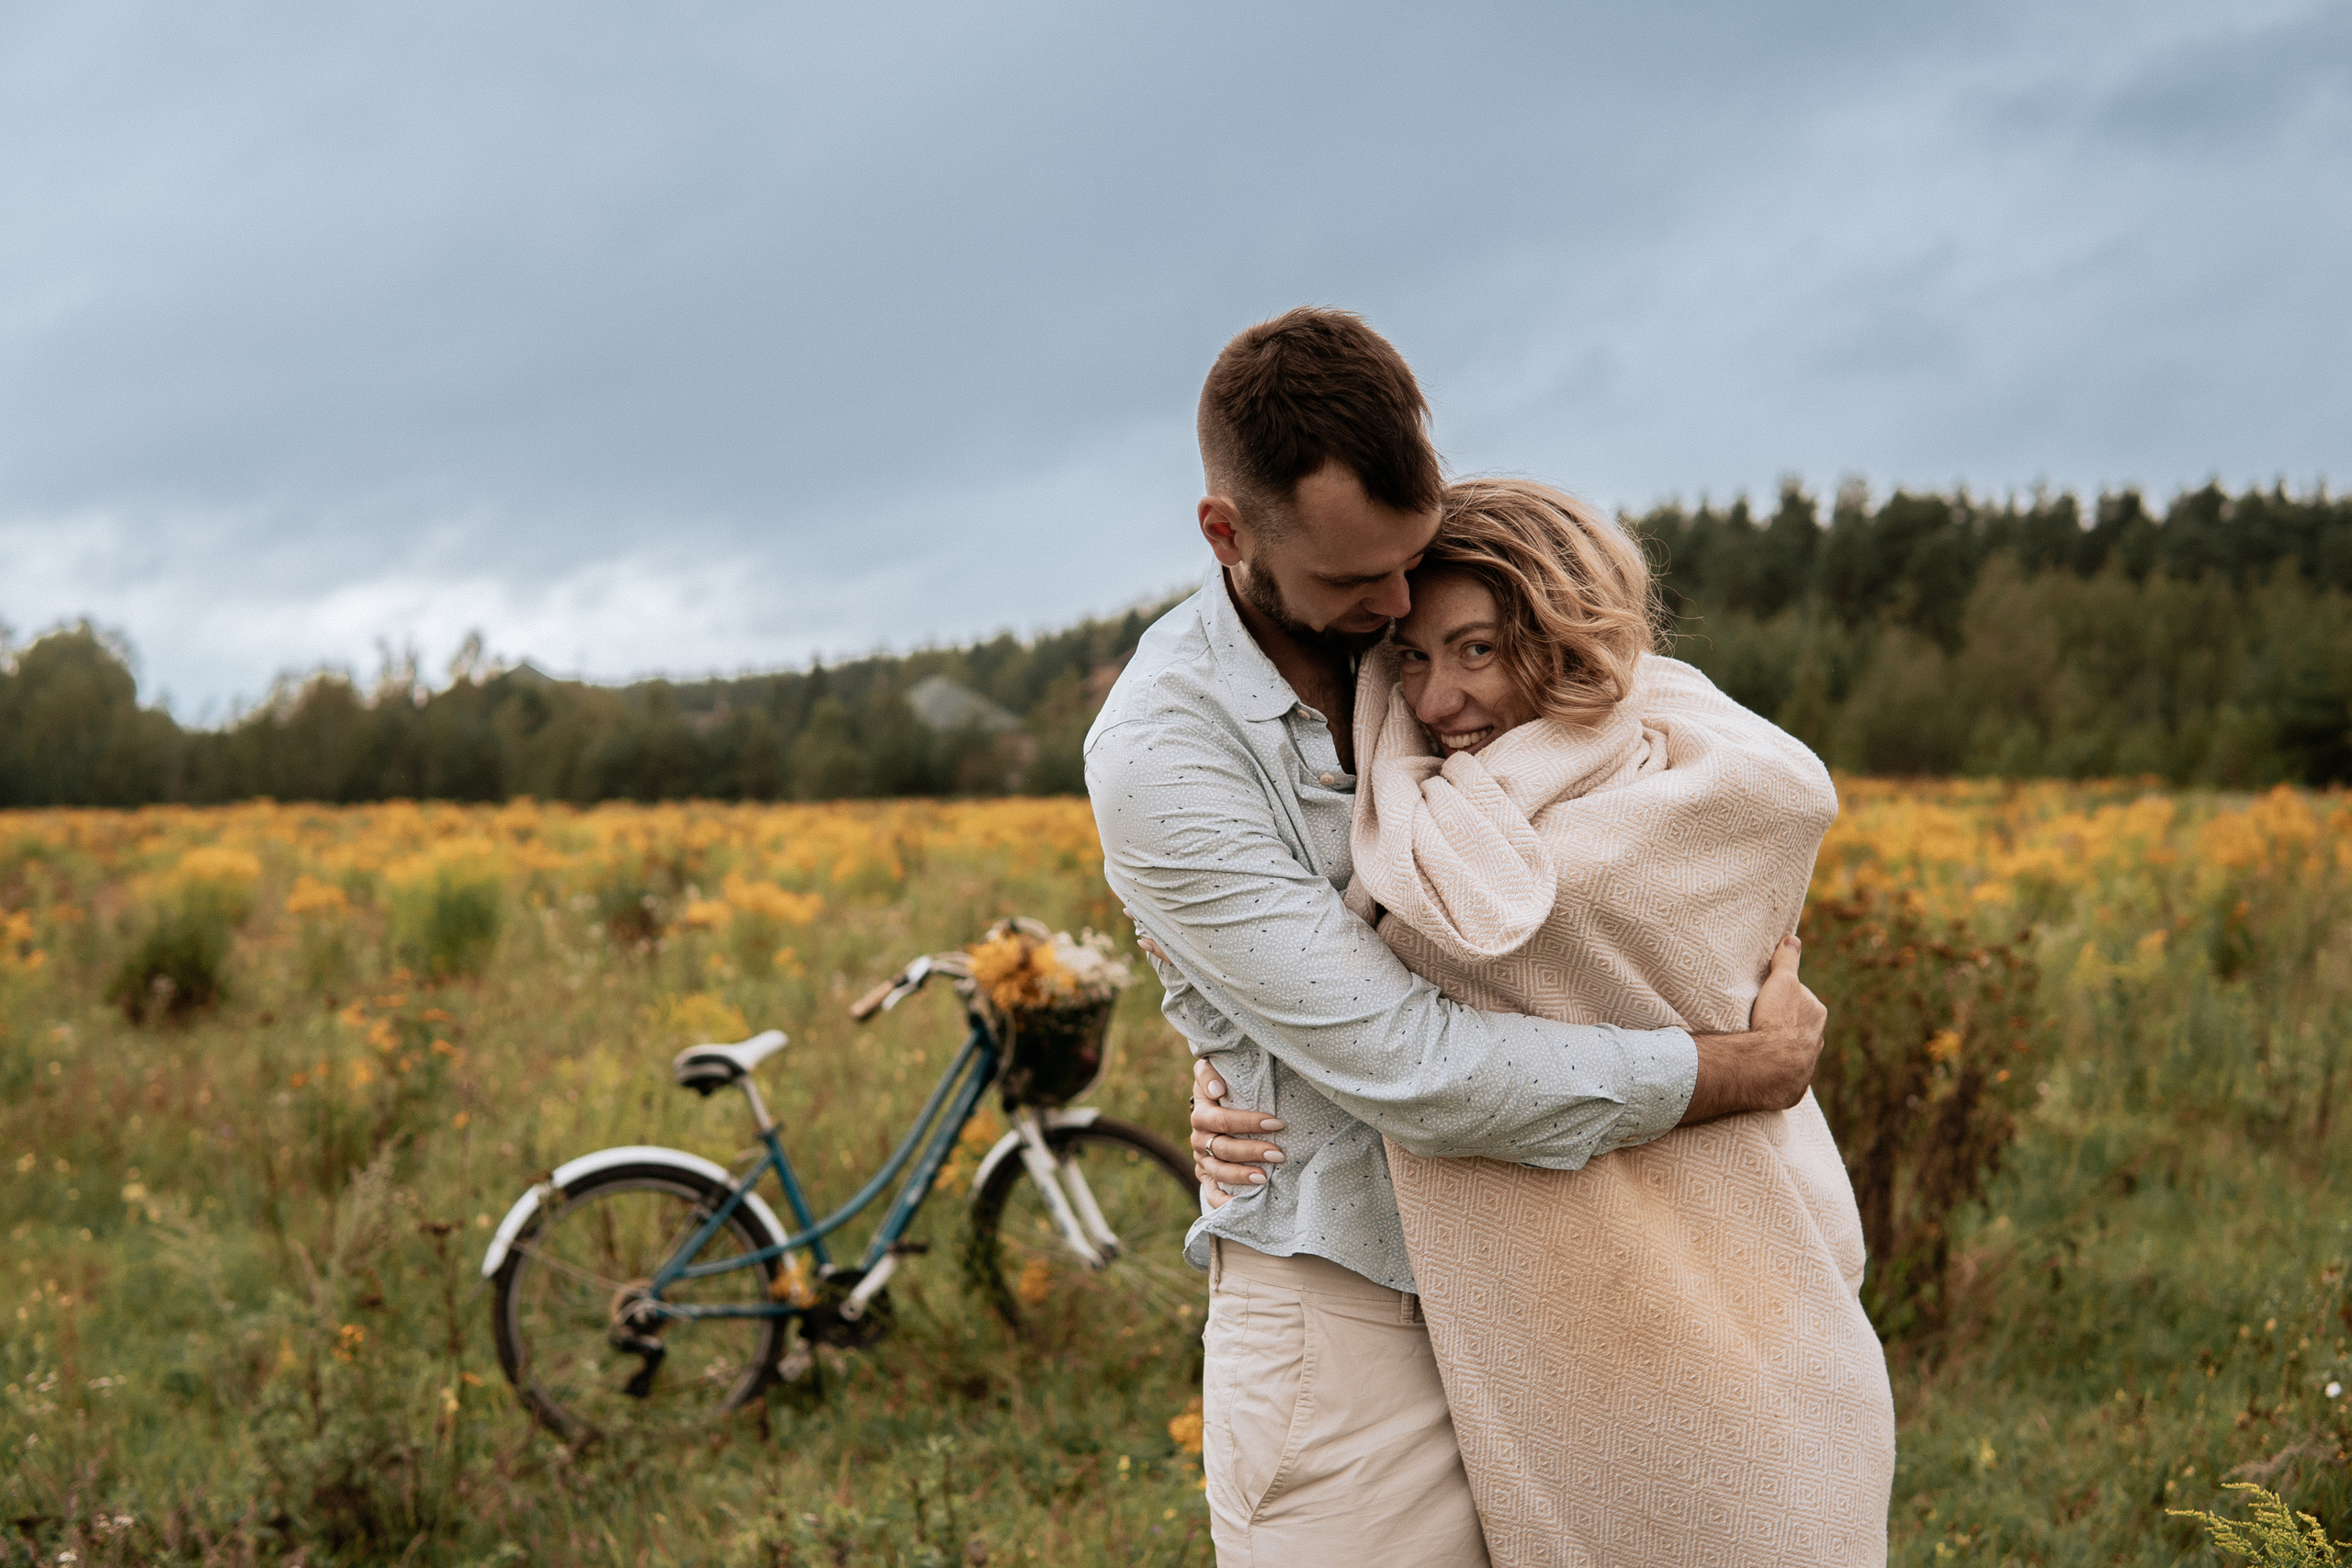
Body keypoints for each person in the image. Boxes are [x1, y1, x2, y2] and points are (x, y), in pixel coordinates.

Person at [1085, 307, 1829, 1567]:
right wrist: (1732, 1071)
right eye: (1348, 580)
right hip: (1356, 1307)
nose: (1391, 608)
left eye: (1408, 558)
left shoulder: (1432, 621)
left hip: (1580, 1255)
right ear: (1227, 533)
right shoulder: (1166, 752)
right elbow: (1409, 1062)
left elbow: (1669, 814)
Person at [1331, 475, 1894, 1565]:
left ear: (1559, 635)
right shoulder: (1431, 827)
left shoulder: (1695, 779)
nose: (1436, 701)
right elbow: (1372, 1032)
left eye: (1476, 650)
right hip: (1582, 1316)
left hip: (1749, 1274)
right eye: (1412, 658)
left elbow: (1766, 821)